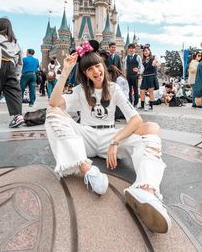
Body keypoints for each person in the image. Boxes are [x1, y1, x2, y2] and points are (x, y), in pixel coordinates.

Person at [45, 40, 171, 233]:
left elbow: (135, 119)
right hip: (85, 136)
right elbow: (54, 102)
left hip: (109, 136)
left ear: (103, 66)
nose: (96, 71)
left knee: (151, 128)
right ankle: (87, 170)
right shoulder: (80, 91)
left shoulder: (114, 88)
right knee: (53, 112)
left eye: (97, 66)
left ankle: (146, 190)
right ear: (85, 74)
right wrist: (65, 72)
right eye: (90, 69)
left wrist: (115, 141)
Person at [140, 46, 159, 110]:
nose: (145, 52)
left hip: (152, 76)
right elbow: (142, 69)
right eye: (144, 51)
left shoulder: (154, 57)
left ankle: (151, 106)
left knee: (151, 91)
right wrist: (138, 71)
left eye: (146, 51)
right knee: (142, 91)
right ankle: (142, 106)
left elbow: (158, 62)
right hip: (145, 76)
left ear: (149, 51)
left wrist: (155, 62)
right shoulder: (143, 60)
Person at [124, 43, 143, 107]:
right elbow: (126, 67)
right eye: (130, 48)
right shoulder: (127, 57)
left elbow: (141, 66)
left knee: (135, 90)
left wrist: (138, 71)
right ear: (128, 49)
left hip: (135, 75)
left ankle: (135, 103)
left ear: (134, 49)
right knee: (128, 89)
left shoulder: (137, 57)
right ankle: (130, 102)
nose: (131, 50)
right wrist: (125, 75)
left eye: (132, 48)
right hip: (128, 75)